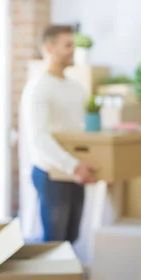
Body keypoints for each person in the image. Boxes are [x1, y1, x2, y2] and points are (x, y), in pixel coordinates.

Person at [21, 25, 96, 243]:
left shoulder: (75, 87)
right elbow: (39, 138)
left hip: (74, 171)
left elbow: (80, 132)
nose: (73, 50)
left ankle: (67, 278)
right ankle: (52, 279)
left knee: (71, 237)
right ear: (49, 48)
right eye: (68, 45)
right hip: (51, 173)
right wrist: (74, 165)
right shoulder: (39, 88)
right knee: (54, 241)